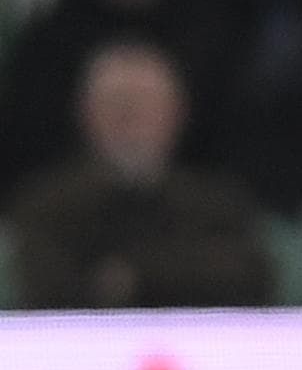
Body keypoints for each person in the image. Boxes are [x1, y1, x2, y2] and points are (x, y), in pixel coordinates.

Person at [6, 43, 274, 309]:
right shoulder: (45, 206)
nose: (129, 118)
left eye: (144, 104)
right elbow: (46, 291)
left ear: (176, 114)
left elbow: (249, 280)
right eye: (116, 104)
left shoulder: (217, 203)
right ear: (85, 113)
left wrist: (135, 276)